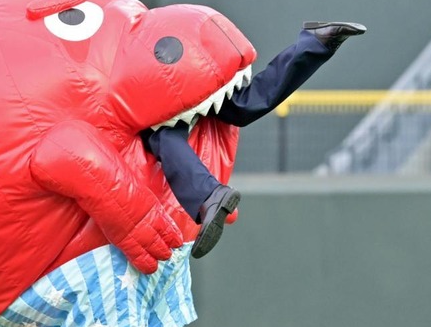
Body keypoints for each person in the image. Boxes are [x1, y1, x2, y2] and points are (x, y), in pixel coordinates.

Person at [143, 21, 367, 258]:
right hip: (186, 52)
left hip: (158, 71)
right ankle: (317, 42)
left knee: (162, 132)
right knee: (242, 105)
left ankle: (209, 195)